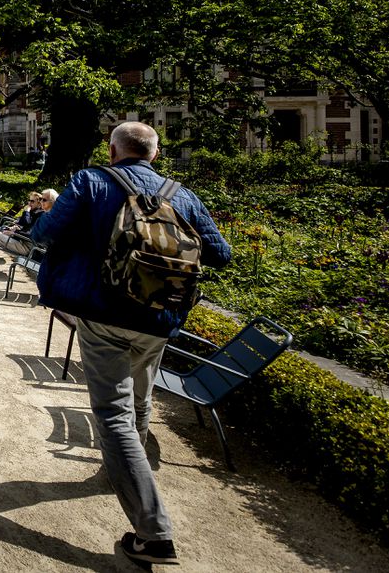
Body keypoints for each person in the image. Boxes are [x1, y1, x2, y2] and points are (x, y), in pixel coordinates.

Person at [30, 121, 231, 566]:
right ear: (155, 155)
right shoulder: (182, 194)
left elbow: (44, 234)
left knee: (112, 416)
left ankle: (153, 533)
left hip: (104, 315)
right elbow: (221, 254)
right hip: (159, 318)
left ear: (113, 150)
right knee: (139, 404)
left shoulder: (91, 181)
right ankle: (122, 472)